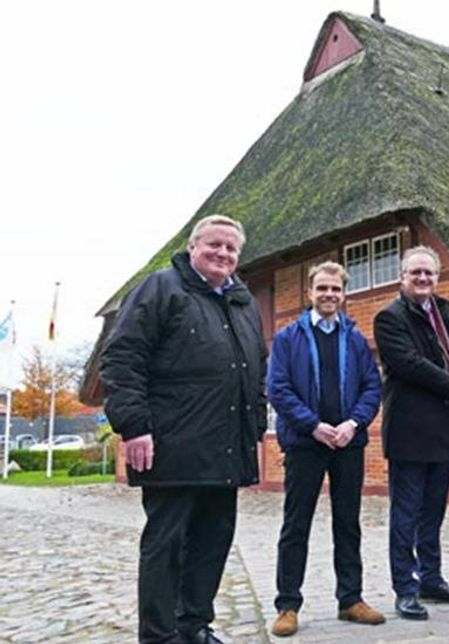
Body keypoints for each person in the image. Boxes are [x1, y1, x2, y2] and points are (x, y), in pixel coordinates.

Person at [100, 214, 267, 644]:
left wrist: (255, 431)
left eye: (231, 248)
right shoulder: (161, 288)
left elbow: (256, 372)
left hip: (227, 446)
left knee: (213, 541)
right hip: (172, 445)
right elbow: (122, 357)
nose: (223, 254)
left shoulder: (244, 304)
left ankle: (193, 626)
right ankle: (158, 636)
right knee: (166, 544)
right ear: (192, 247)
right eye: (214, 244)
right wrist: (134, 426)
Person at [267, 261, 384, 636]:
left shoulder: (355, 338)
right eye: (322, 289)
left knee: (347, 523)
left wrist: (353, 423)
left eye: (335, 289)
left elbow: (372, 388)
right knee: (295, 523)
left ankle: (350, 599)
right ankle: (287, 605)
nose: (329, 295)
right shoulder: (288, 338)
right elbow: (278, 388)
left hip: (348, 442)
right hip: (306, 442)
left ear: (344, 294)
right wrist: (313, 425)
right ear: (310, 293)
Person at [373, 245, 449, 620]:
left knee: (433, 512)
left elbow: (441, 355)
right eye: (416, 273)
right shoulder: (389, 317)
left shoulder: (438, 310)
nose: (423, 279)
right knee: (405, 514)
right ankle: (405, 589)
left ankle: (431, 579)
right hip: (409, 432)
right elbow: (411, 364)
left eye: (429, 274)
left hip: (443, 430)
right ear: (402, 278)